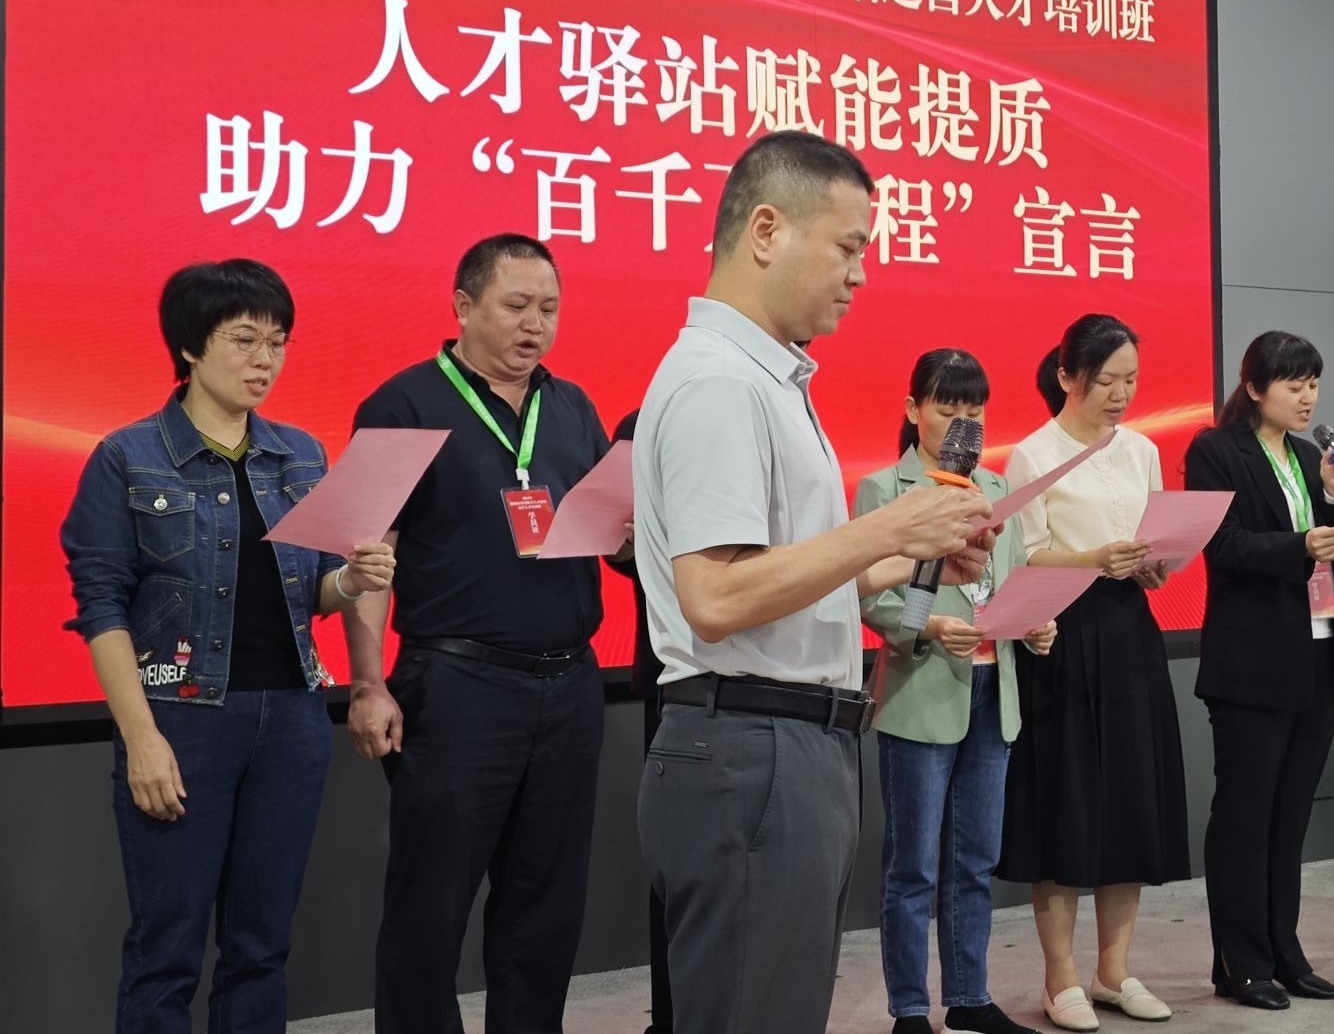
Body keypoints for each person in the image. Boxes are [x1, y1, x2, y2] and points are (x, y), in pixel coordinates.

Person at [630, 130, 995, 1034]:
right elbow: (716, 598)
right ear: (766, 230)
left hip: (785, 744)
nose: (860, 275)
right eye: (848, 247)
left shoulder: (767, 378)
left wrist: (910, 555)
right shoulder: (721, 384)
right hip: (752, 745)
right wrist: (889, 528)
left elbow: (786, 572)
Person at [61, 259, 395, 1034]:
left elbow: (308, 594)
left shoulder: (300, 454)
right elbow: (102, 606)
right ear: (190, 346)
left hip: (291, 721)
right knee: (166, 948)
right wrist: (141, 737)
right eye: (244, 340)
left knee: (261, 946)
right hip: (182, 719)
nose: (263, 360)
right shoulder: (129, 456)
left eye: (277, 343)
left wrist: (352, 580)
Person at [345, 234, 617, 1034]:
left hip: (569, 685)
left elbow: (603, 527)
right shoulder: (401, 405)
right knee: (429, 910)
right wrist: (368, 682)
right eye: (517, 306)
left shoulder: (572, 407)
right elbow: (368, 554)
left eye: (550, 309)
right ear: (464, 306)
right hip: (459, 688)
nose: (536, 325)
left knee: (546, 910)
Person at [857, 348, 1059, 1034]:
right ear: (913, 410)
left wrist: (1036, 624)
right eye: (947, 409)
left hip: (994, 688)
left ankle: (969, 998)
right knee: (912, 865)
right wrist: (931, 625)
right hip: (921, 689)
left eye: (974, 412)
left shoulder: (997, 486)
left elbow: (1014, 578)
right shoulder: (885, 490)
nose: (962, 424)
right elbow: (872, 598)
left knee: (975, 861)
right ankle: (910, 1009)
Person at [1000, 313, 1189, 1032]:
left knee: (1129, 798)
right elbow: (1023, 555)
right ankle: (1061, 980)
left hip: (1129, 629)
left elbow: (1151, 541)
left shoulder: (1141, 449)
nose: (1121, 394)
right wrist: (1094, 559)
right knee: (1067, 805)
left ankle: (1115, 971)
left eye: (1131, 380)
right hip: (1062, 634)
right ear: (1067, 377)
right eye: (1107, 380)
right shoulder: (1033, 454)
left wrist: (1153, 566)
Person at [1183, 331, 1334, 1011]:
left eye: (1313, 383)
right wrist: (1302, 542)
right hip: (1252, 660)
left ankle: (1284, 952)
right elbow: (1223, 545)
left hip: (1318, 651)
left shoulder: (1311, 457)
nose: (1307, 396)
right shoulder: (1216, 450)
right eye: (1293, 384)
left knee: (1290, 818)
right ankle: (1241, 961)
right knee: (1245, 815)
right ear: (1254, 388)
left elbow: (1329, 548)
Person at [610, 408, 674, 1034]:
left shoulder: (785, 412)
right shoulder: (644, 424)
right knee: (674, 866)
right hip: (674, 678)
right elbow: (619, 545)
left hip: (775, 678)